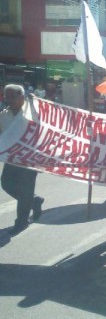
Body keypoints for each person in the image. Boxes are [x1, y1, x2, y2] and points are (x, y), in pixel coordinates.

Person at [0, 84, 44, 236]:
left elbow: (44, 128)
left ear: (21, 97)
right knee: (6, 183)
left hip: (29, 158)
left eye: (12, 97)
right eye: (7, 97)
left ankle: (21, 221)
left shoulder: (32, 112)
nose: (9, 100)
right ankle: (34, 200)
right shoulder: (3, 116)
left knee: (25, 189)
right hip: (12, 158)